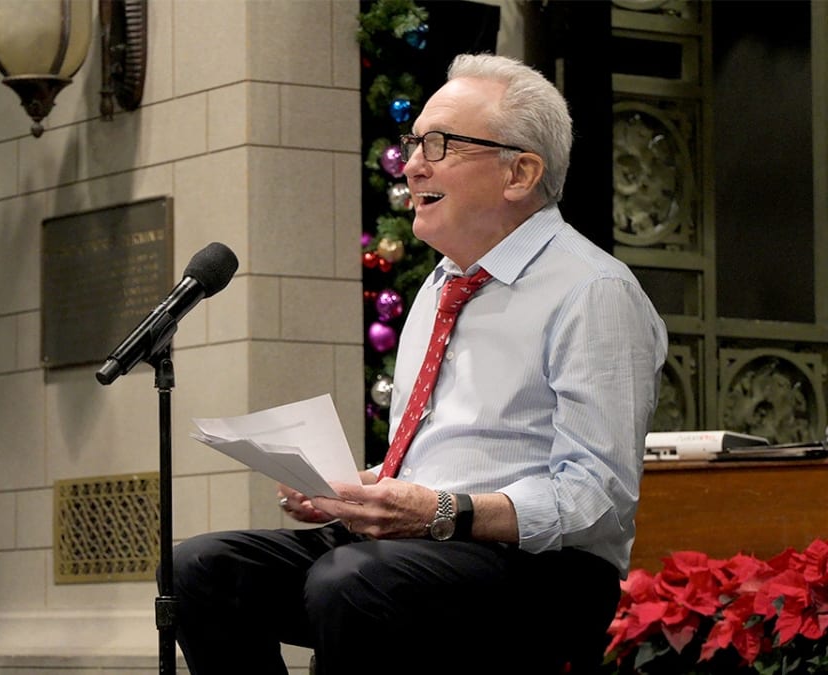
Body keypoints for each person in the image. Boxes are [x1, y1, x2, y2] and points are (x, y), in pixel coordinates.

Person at [167, 53, 668, 674]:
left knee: (349, 579)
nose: (411, 163)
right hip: (417, 544)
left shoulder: (593, 290)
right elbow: (442, 459)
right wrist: (355, 493)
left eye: (439, 144)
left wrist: (437, 511)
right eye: (413, 142)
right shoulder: (440, 286)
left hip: (545, 570)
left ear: (521, 172)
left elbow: (597, 495)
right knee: (200, 567)